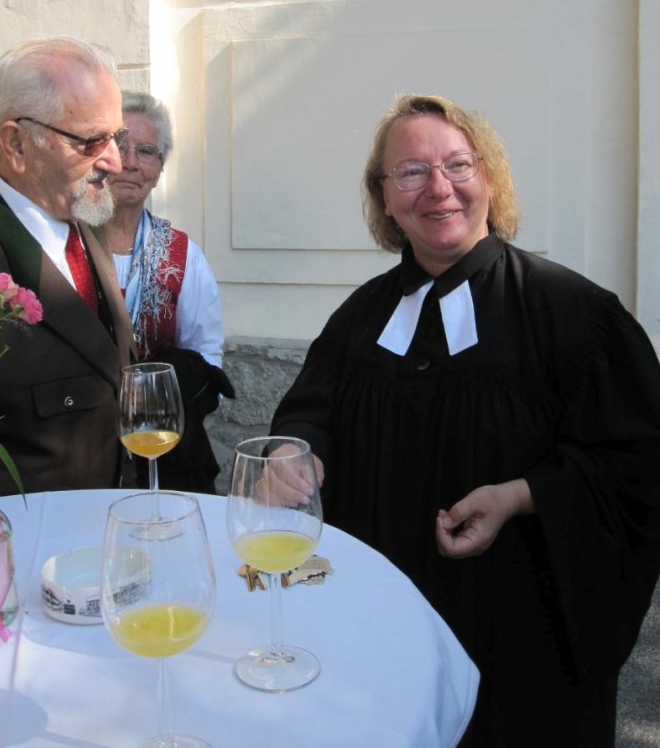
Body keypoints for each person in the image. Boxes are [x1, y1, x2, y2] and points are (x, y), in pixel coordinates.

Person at [270, 94, 660, 748]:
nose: (438, 188)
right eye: (411, 172)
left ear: (490, 179)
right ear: (384, 198)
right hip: (384, 630)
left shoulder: (573, 315)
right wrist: (293, 453)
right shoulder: (360, 317)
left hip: (520, 645)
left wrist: (521, 495)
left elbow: (636, 460)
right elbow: (311, 413)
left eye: (457, 165)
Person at [0, 37, 137, 495]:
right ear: (17, 143)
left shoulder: (83, 215)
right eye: (92, 141)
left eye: (118, 137)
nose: (115, 161)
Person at [101, 91, 233, 494]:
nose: (130, 162)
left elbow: (206, 356)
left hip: (162, 450)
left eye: (146, 151)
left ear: (159, 169)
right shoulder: (64, 246)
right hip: (85, 447)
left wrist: (171, 396)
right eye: (119, 146)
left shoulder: (182, 254)